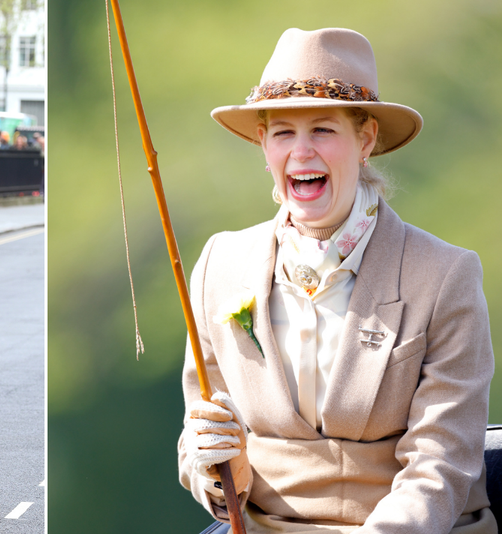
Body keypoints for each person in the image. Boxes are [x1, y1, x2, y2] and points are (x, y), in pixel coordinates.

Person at [178, 28, 496, 533]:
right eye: (283, 132)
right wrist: (214, 469)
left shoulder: (445, 274)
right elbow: (203, 426)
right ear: (263, 145)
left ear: (365, 139)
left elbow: (442, 463)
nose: (301, 152)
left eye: (323, 130)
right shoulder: (220, 261)